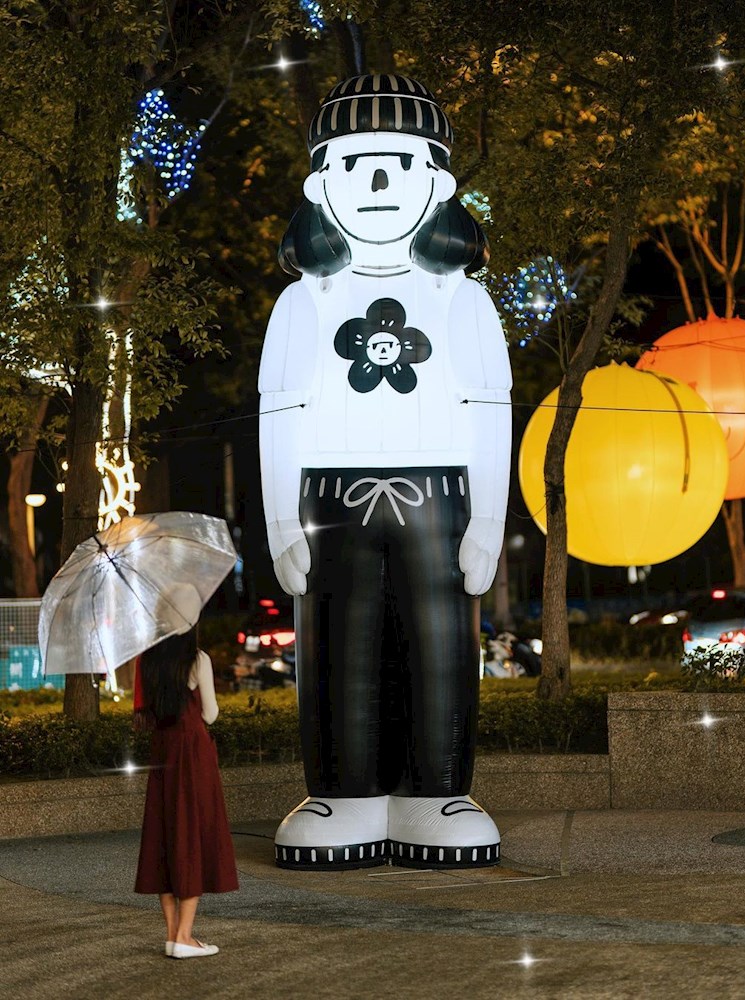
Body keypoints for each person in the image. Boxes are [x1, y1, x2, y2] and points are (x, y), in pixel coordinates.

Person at [259, 74, 512, 870]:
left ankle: (438, 791)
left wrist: (488, 518)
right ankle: (344, 791)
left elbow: (490, 407)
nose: (376, 183)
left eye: (398, 163)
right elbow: (278, 410)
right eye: (354, 164)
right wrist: (279, 519)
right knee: (336, 640)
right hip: (329, 500)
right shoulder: (302, 302)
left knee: (441, 640)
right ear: (319, 184)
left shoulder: (462, 300)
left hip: (439, 495)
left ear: (438, 181)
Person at [133, 620, 239, 959]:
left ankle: (172, 935)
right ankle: (184, 936)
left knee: (163, 836)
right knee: (193, 834)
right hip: (192, 753)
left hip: (162, 752)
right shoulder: (197, 658)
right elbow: (210, 713)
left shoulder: (147, 660)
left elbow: (146, 712)